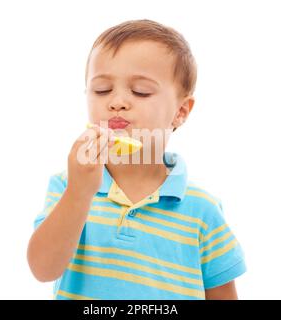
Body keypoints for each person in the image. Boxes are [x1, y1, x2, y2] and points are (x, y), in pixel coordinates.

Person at [27, 19, 246, 300]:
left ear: (181, 110)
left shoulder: (201, 209)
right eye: (102, 90)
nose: (117, 101)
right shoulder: (67, 187)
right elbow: (43, 269)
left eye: (140, 91)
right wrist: (79, 193)